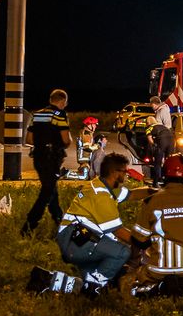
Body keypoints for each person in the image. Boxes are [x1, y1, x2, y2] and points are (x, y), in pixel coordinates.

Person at [25, 153, 153, 298]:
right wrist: (147, 244)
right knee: (121, 252)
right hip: (77, 238)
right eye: (125, 171)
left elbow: (131, 195)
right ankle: (92, 289)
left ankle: (46, 279)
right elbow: (119, 232)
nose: (127, 175)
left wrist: (154, 192)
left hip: (79, 237)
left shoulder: (103, 186)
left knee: (94, 279)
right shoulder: (101, 196)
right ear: (115, 172)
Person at [123, 154, 183, 297]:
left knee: (138, 273)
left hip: (160, 270)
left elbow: (138, 240)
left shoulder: (152, 202)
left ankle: (158, 286)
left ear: (164, 173)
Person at [22, 89, 72, 235]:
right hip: (52, 158)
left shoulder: (36, 115)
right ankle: (29, 225)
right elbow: (65, 141)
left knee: (51, 189)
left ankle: (59, 221)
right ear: (62, 101)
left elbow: (29, 140)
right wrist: (68, 141)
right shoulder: (60, 115)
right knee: (47, 192)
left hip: (38, 157)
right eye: (65, 103)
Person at [146, 115, 174, 188]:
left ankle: (155, 182)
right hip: (171, 140)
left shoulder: (150, 127)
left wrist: (154, 145)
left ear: (148, 122)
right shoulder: (163, 126)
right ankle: (168, 180)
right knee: (169, 161)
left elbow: (149, 138)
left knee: (157, 162)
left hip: (162, 141)